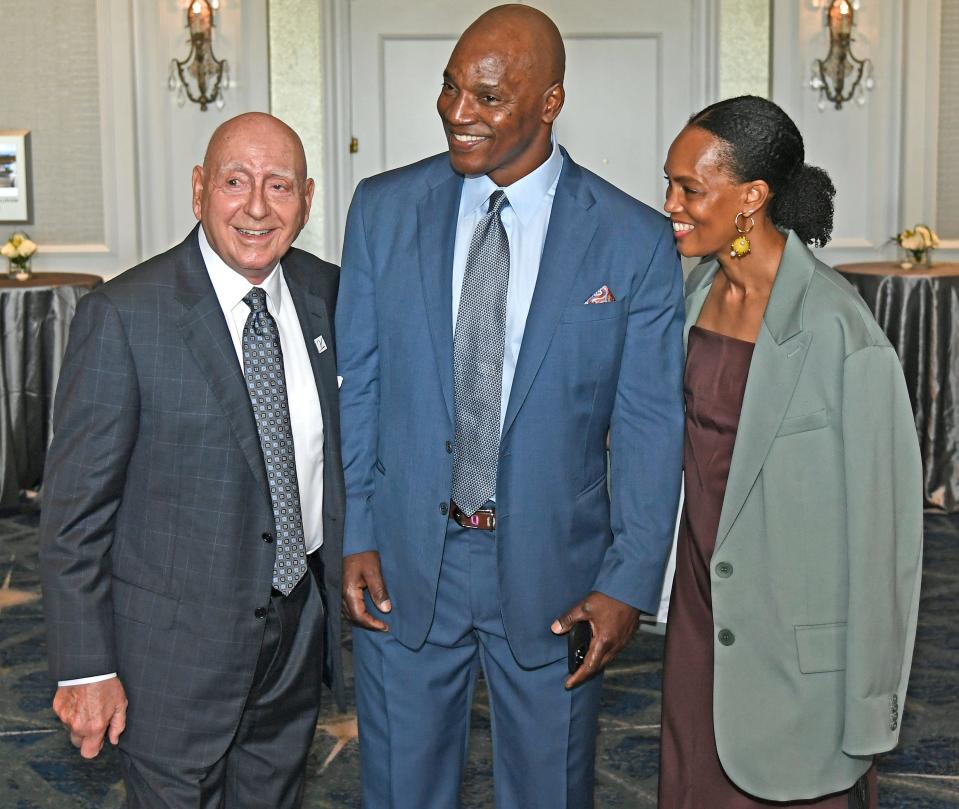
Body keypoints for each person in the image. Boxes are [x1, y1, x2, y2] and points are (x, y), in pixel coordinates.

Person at [335, 4, 685, 807]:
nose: (460, 113)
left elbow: (646, 424)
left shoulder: (631, 240)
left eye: (488, 98)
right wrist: (355, 530)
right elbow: (360, 383)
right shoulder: (382, 210)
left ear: (549, 102)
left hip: (557, 576)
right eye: (451, 89)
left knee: (548, 790)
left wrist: (629, 581)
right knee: (399, 790)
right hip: (402, 565)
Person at [39, 112, 344, 809]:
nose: (258, 207)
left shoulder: (329, 294)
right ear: (199, 189)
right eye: (236, 182)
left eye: (280, 186)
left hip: (296, 632)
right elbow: (73, 515)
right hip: (171, 653)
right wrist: (86, 666)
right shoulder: (124, 315)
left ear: (308, 198)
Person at [659, 95, 923, 808]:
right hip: (698, 613)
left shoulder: (843, 332)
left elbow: (885, 541)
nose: (670, 203)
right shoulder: (696, 290)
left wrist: (869, 706)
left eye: (689, 187)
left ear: (751, 197)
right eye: (670, 183)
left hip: (794, 649)